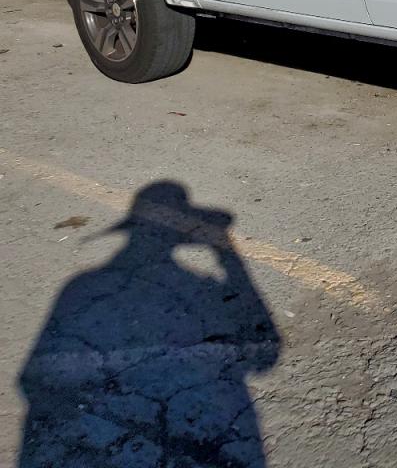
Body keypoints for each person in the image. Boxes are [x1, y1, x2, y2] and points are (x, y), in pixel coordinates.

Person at [18, 181, 280, 467]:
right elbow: (266, 357)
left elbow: (31, 379)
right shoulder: (201, 289)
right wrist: (225, 248)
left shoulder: (80, 286)